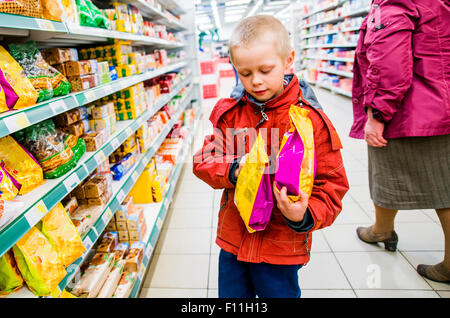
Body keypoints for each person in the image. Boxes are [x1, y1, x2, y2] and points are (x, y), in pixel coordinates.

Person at [192, 15, 349, 298]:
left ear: (288, 60)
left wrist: (305, 213)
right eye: (245, 73)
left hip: (282, 244)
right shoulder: (232, 114)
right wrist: (235, 168)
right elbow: (204, 159)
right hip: (234, 239)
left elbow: (333, 185)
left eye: (265, 70)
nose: (256, 81)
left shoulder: (310, 121)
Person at [350, 0, 450, 283]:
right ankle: (381, 229)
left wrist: (379, 112)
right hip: (438, 101)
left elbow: (389, 61)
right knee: (434, 180)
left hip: (412, 109)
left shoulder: (395, 2)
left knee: (441, 189)